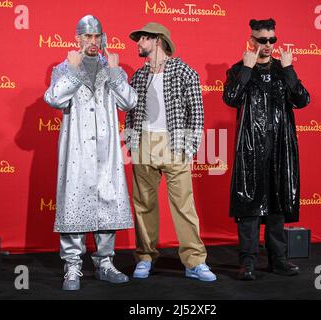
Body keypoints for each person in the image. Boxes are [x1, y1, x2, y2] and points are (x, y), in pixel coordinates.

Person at [44, 15, 137, 290]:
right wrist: (72, 72)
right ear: (78, 39)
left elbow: (129, 102)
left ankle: (105, 263)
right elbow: (54, 99)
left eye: (97, 36)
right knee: (74, 202)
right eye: (87, 36)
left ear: (103, 38)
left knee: (107, 202)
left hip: (107, 150)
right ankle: (72, 267)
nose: (93, 41)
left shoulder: (112, 68)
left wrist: (115, 73)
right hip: (77, 149)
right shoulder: (63, 67)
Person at [125, 22, 216, 282]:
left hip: (174, 143)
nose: (138, 43)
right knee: (143, 204)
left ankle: (195, 261)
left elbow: (197, 113)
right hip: (144, 142)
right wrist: (132, 143)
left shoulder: (184, 71)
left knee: (184, 206)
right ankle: (145, 257)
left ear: (158, 40)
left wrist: (189, 148)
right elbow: (131, 113)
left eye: (142, 38)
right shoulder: (139, 76)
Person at [223, 18, 310, 281]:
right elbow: (231, 98)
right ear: (252, 41)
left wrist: (290, 68)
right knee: (249, 206)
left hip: (281, 149)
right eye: (263, 40)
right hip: (251, 149)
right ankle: (247, 262)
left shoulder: (284, 70)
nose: (269, 45)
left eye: (272, 39)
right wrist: (247, 69)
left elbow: (303, 100)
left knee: (277, 205)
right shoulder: (239, 69)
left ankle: (279, 260)